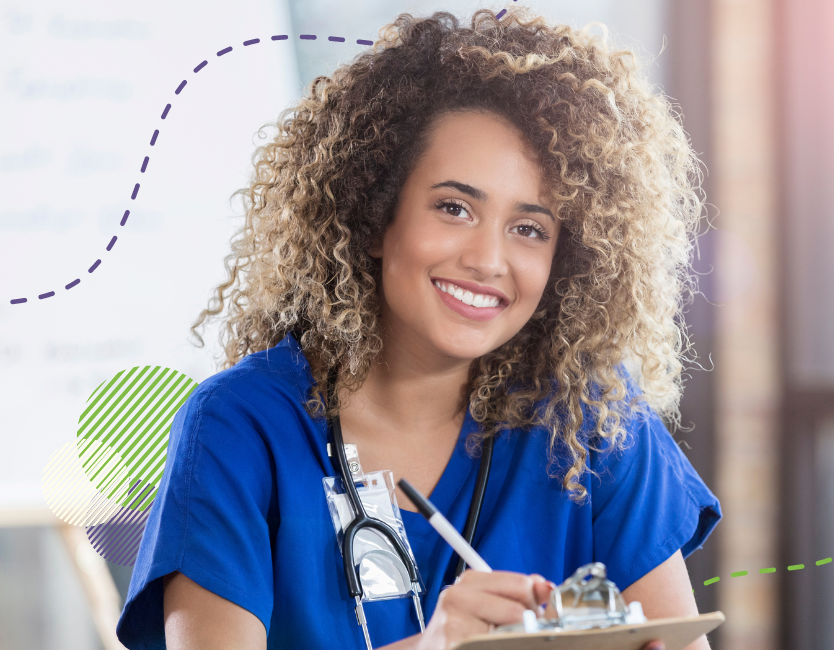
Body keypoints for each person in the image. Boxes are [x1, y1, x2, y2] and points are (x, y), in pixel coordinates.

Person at [115, 7, 719, 650]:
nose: (489, 261)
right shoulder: (240, 428)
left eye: (529, 229)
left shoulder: (592, 422)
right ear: (374, 216)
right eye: (453, 208)